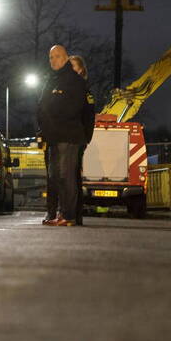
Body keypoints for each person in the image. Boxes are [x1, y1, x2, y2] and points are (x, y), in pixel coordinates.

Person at [37, 45, 89, 227]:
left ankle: (69, 215)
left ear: (66, 58)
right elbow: (41, 106)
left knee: (66, 175)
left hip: (68, 136)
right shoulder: (52, 79)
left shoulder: (74, 81)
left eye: (57, 56)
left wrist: (52, 116)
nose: (53, 60)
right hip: (53, 136)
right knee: (55, 176)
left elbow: (73, 109)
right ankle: (61, 213)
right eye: (51, 57)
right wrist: (45, 126)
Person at [69, 54, 96, 226]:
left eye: (72, 66)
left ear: (80, 69)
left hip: (77, 137)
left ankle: (75, 214)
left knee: (73, 176)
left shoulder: (85, 91)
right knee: (69, 176)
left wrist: (86, 139)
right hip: (70, 136)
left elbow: (89, 118)